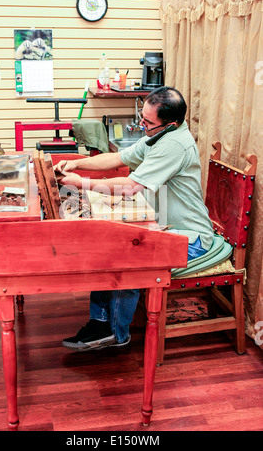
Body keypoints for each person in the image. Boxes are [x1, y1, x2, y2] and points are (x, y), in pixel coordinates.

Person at [54, 86, 214, 351]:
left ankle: (115, 333)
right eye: (142, 116)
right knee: (111, 246)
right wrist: (77, 163)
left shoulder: (173, 144)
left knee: (128, 255)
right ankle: (101, 321)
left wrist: (79, 183)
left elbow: (130, 186)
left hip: (190, 237)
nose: (142, 124)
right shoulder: (158, 135)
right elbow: (118, 157)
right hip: (163, 225)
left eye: (148, 122)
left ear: (170, 124)